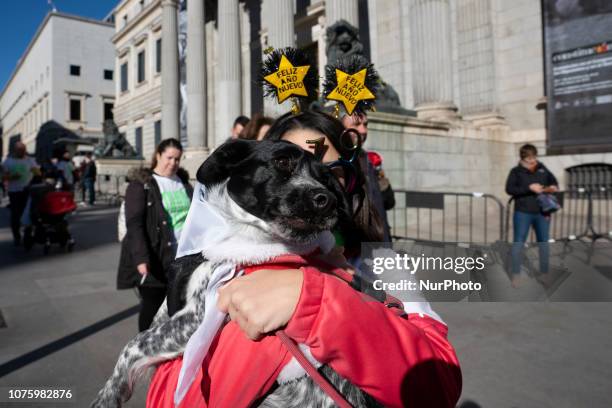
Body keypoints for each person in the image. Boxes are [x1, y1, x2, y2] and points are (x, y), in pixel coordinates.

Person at [146, 111, 461, 407]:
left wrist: (318, 303)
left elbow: (440, 386)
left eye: (325, 172)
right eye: (285, 165)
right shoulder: (212, 269)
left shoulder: (381, 266)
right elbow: (165, 392)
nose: (308, 186)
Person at [117, 138, 193, 331]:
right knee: (152, 308)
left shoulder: (183, 183)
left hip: (182, 258)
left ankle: (169, 351)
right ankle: (143, 348)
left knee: (177, 308)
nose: (173, 163)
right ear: (158, 155)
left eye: (177, 159)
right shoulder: (141, 184)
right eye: (169, 157)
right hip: (155, 258)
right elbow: (134, 224)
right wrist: (141, 259)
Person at [505, 144, 558, 287]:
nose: (533, 161)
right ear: (523, 159)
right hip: (523, 212)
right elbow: (509, 189)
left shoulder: (542, 167)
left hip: (542, 212)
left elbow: (553, 181)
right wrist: (528, 188)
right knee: (518, 243)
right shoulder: (516, 171)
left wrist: (552, 187)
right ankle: (516, 275)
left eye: (534, 158)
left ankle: (544, 273)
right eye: (530, 159)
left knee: (543, 244)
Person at [341, 112, 395, 242]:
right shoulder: (337, 163)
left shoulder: (370, 160)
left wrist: (380, 176)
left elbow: (388, 202)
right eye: (356, 124)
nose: (363, 130)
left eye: (365, 124)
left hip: (381, 244)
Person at [1, 142, 39, 246]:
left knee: (29, 213)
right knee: (16, 215)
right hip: (14, 191)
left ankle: (28, 234)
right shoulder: (8, 162)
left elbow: (37, 173)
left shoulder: (30, 160)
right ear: (15, 150)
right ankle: (17, 236)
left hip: (28, 190)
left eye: (24, 150)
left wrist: (37, 172)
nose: (23, 152)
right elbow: (3, 177)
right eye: (20, 150)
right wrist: (12, 177)